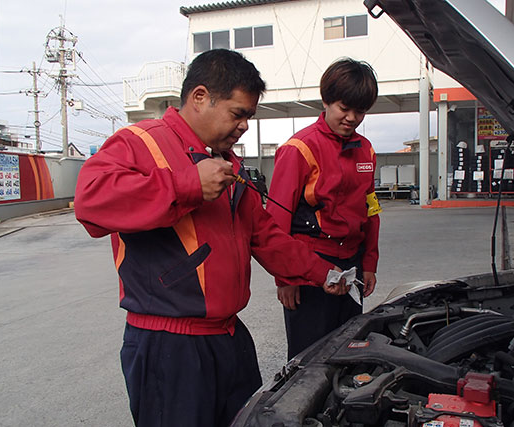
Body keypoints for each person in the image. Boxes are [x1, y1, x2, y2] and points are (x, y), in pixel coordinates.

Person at [74, 49, 348, 427]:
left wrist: (322, 273)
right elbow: (91, 202)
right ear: (200, 97)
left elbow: (266, 236)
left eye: (249, 116)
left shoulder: (227, 163)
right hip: (168, 345)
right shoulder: (141, 142)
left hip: (229, 339)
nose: (244, 126)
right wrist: (187, 185)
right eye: (238, 114)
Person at [266, 58, 381, 360]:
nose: (352, 118)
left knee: (349, 350)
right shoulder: (299, 149)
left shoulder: (366, 150)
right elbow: (276, 221)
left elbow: (371, 212)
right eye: (345, 108)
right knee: (308, 358)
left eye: (360, 111)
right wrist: (287, 279)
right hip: (309, 266)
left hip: (352, 265)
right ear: (326, 100)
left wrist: (369, 263)